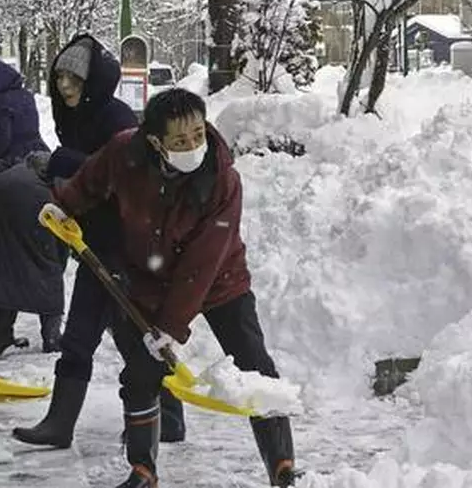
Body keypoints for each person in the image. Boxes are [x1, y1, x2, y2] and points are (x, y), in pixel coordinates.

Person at [41, 88, 296, 488]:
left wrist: (171, 329)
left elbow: (203, 262)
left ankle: (282, 465)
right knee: (141, 373)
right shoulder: (125, 152)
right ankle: (143, 469)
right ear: (155, 141)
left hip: (220, 279)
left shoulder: (222, 179)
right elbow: (90, 179)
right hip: (150, 278)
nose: (194, 144)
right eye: (180, 140)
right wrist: (63, 203)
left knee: (254, 365)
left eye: (198, 133)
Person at [13, 35, 187, 449]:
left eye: (74, 79)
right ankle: (60, 424)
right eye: (60, 78)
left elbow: (123, 173)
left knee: (130, 338)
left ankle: (168, 415)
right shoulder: (74, 117)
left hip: (128, 249)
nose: (66, 87)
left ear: (92, 81)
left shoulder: (117, 117)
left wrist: (58, 163)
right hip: (95, 243)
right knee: (86, 338)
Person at [0, 58, 62, 355]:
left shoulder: (1, 103)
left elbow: (0, 141)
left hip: (12, 181)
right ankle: (50, 335)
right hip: (40, 177)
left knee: (4, 263)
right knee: (44, 259)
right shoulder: (21, 95)